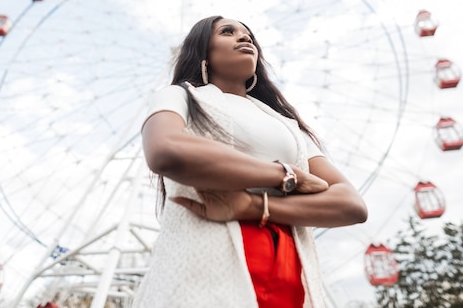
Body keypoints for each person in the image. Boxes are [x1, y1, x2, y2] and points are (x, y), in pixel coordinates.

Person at [133, 16, 368, 308]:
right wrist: (283, 175)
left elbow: (351, 204)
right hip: (204, 269)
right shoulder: (181, 96)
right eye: (227, 32)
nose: (244, 38)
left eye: (249, 36)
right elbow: (165, 149)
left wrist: (252, 206)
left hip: (288, 270)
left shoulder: (286, 125)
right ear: (203, 51)